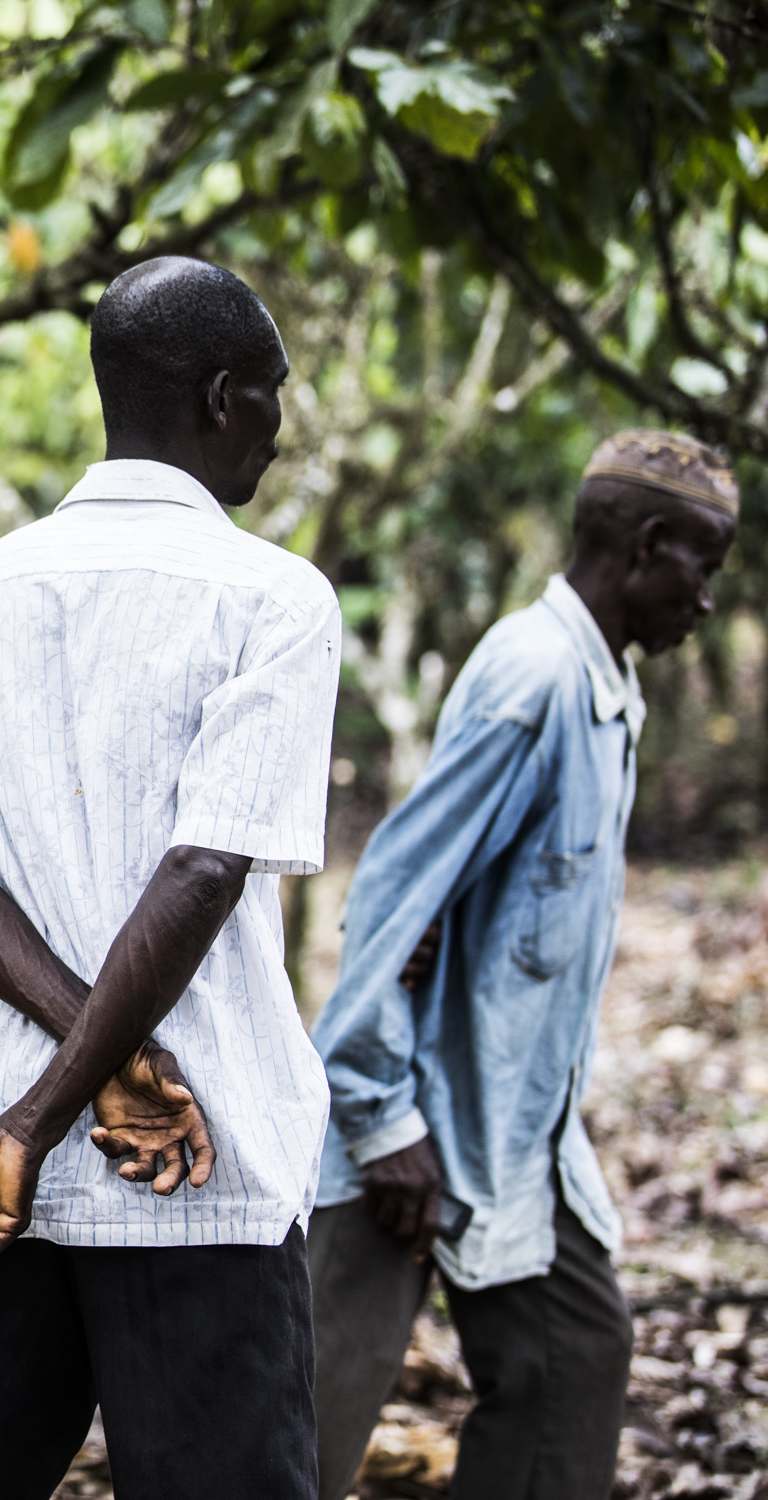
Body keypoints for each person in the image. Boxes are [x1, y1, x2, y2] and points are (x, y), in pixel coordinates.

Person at [0, 256, 341, 1500]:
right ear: (220, 397)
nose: (278, 427)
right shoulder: (275, 598)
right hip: (193, 1163)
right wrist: (73, 1096)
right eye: (271, 394)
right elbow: (205, 866)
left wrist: (36, 1107)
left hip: (0, 1168)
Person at [309, 430, 740, 1500]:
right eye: (703, 569)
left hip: (511, 1133)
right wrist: (383, 1123)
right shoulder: (534, 679)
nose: (706, 602)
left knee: (573, 1363)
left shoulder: (604, 690)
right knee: (298, 1436)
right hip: (403, 1131)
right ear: (647, 546)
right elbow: (394, 894)